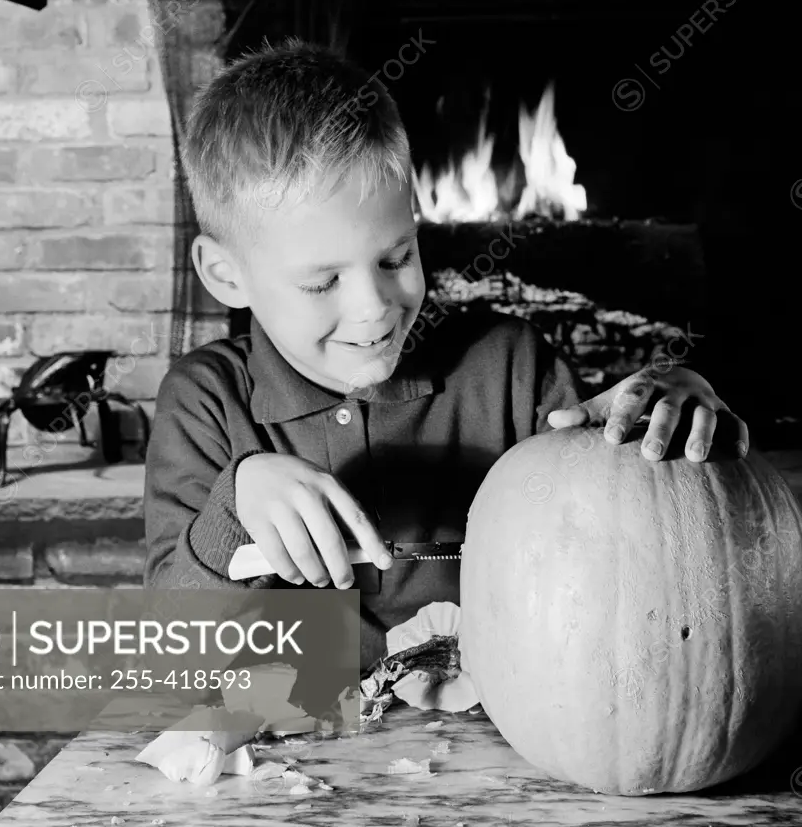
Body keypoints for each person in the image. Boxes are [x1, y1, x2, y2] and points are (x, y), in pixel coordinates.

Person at [143, 39, 749, 673]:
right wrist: (235, 509)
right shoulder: (204, 403)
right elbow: (174, 653)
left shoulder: (508, 370)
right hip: (290, 748)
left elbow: (611, 543)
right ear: (225, 274)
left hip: (500, 742)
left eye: (396, 258)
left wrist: (658, 433)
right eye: (322, 283)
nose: (374, 307)